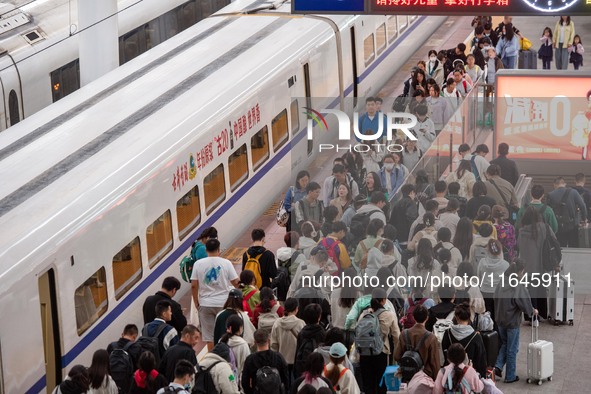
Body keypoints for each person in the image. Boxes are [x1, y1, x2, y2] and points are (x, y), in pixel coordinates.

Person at [494, 259, 537, 383]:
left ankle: (498, 366)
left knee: (505, 344)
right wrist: (532, 311)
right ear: (518, 272)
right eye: (522, 272)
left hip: (500, 319)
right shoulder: (517, 286)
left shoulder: (501, 282)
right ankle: (510, 376)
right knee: (512, 348)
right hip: (512, 322)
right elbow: (525, 304)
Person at [191, 238, 239, 351]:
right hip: (224, 304)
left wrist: (196, 302)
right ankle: (226, 355)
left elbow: (193, 285)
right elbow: (236, 283)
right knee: (226, 333)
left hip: (205, 304)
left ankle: (213, 358)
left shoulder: (198, 264)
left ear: (206, 250)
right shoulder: (226, 263)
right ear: (219, 250)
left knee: (209, 337)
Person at [519, 206, 560, 321]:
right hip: (543, 265)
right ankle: (542, 313)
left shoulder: (522, 231)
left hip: (527, 267)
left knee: (530, 291)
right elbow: (555, 242)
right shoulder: (545, 227)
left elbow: (520, 248)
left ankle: (531, 316)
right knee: (541, 289)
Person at [358, 288, 400, 394]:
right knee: (381, 383)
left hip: (364, 352)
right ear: (384, 300)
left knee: (368, 383)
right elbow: (396, 336)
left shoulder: (364, 314)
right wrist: (397, 355)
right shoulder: (388, 315)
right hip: (381, 352)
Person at [394, 305, 441, 381]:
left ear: (413, 317)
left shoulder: (404, 334)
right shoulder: (431, 338)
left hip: (407, 376)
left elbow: (396, 356)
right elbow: (434, 364)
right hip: (425, 378)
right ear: (427, 318)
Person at [441, 303, 488, 378]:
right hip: (469, 375)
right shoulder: (476, 336)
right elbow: (481, 360)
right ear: (469, 317)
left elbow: (444, 352)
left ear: (456, 317)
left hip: (450, 374)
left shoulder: (448, 333)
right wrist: (482, 377)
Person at [243, 329, 289, 394]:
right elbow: (286, 379)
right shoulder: (278, 357)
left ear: (255, 342)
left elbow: (245, 382)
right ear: (268, 341)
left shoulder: (250, 360)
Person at [271, 298, 306, 383]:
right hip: (296, 360)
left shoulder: (277, 323)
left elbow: (274, 344)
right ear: (296, 309)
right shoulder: (301, 323)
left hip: (281, 359)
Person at [547, 176, 587, 247]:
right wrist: (584, 219)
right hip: (572, 225)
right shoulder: (573, 192)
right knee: (574, 246)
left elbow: (547, 210)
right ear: (564, 184)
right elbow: (582, 206)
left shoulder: (550, 194)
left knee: (561, 246)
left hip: (558, 226)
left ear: (555, 185)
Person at [477, 239, 510, 320]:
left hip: (485, 291)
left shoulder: (482, 262)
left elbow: (479, 276)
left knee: (488, 315)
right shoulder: (505, 264)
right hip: (500, 292)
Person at [294, 304, 327, 378]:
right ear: (319, 317)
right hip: (319, 370)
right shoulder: (322, 333)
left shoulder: (302, 332)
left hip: (304, 370)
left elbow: (298, 352)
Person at [220, 314, 251, 387]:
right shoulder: (243, 344)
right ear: (240, 328)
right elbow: (246, 364)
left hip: (224, 377)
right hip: (237, 381)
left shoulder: (221, 341)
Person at [389, 184, 419, 248]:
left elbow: (391, 220)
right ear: (412, 192)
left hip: (397, 239)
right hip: (407, 238)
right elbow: (411, 219)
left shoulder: (396, 204)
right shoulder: (411, 203)